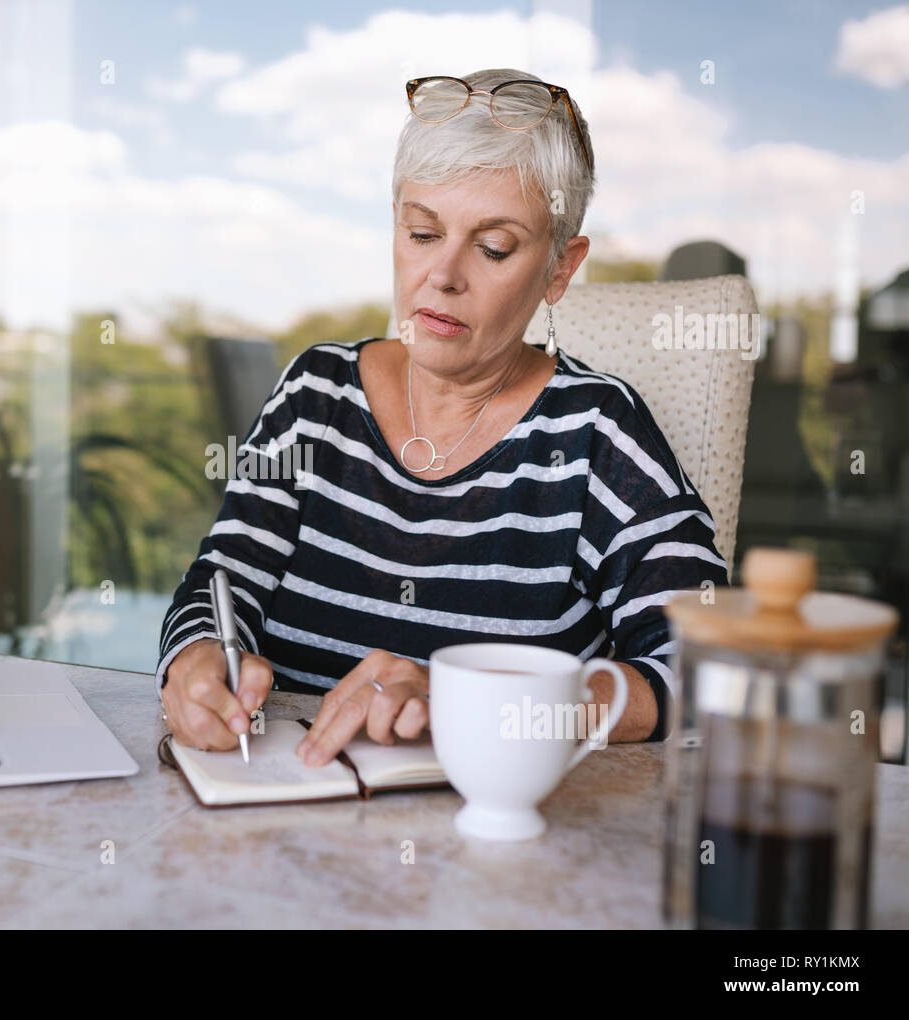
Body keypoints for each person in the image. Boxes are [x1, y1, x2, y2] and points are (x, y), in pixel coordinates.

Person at [156, 68, 727, 766]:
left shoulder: (596, 433)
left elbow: (707, 670)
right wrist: (195, 658)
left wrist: (474, 700)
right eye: (422, 232)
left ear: (559, 267)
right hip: (277, 823)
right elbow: (222, 580)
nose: (443, 275)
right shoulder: (316, 396)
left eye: (493, 248)